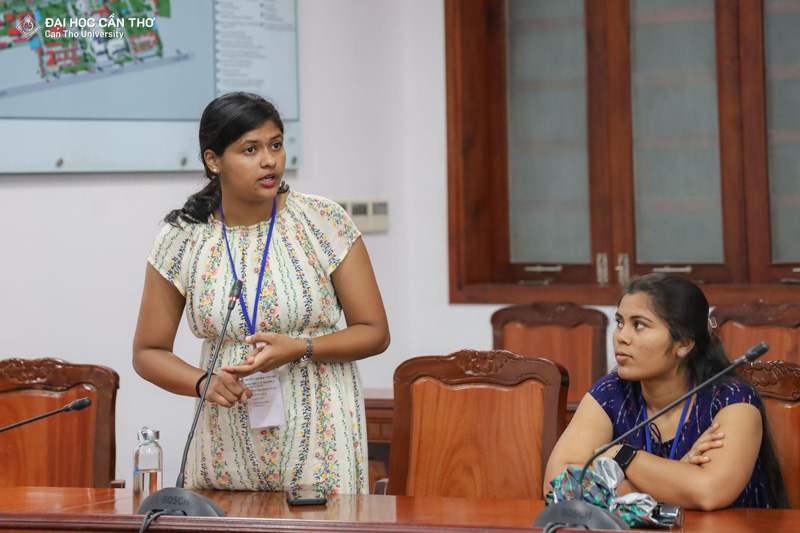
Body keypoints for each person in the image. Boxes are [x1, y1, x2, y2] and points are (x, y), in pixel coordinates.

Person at [132, 92, 390, 495]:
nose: (269, 160)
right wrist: (202, 382)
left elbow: (374, 332)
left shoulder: (322, 221)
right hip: (225, 435)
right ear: (213, 160)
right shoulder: (183, 238)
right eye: (250, 149)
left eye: (276, 145)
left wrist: (301, 348)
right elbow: (148, 352)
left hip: (319, 432)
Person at [544, 273, 788, 510]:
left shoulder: (732, 399)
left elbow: (708, 492)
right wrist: (679, 477)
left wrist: (620, 456)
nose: (621, 337)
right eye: (620, 323)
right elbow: (557, 483)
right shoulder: (610, 392)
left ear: (683, 344)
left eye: (639, 325)